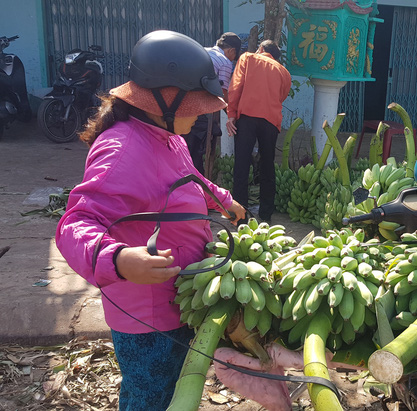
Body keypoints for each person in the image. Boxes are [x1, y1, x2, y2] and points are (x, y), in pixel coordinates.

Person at [55, 30, 246, 411]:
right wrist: (118, 260)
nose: (201, 112)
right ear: (165, 98)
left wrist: (222, 199)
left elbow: (187, 177)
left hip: (175, 300)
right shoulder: (122, 149)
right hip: (148, 315)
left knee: (171, 390)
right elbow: (74, 224)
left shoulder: (165, 134)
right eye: (195, 103)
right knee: (148, 399)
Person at [226, 39, 291, 223]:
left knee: (242, 164)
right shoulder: (283, 72)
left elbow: (236, 86)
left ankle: (240, 216)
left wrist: (231, 114)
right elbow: (281, 96)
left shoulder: (248, 58)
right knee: (267, 165)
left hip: (247, 116)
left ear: (261, 49)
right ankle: (266, 214)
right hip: (270, 120)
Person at [182, 32, 242, 175]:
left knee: (183, 145)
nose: (233, 61)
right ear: (232, 51)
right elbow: (222, 93)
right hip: (197, 106)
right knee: (196, 147)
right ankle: (197, 180)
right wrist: (231, 114)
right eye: (235, 57)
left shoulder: (202, 51)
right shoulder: (225, 61)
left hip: (180, 103)